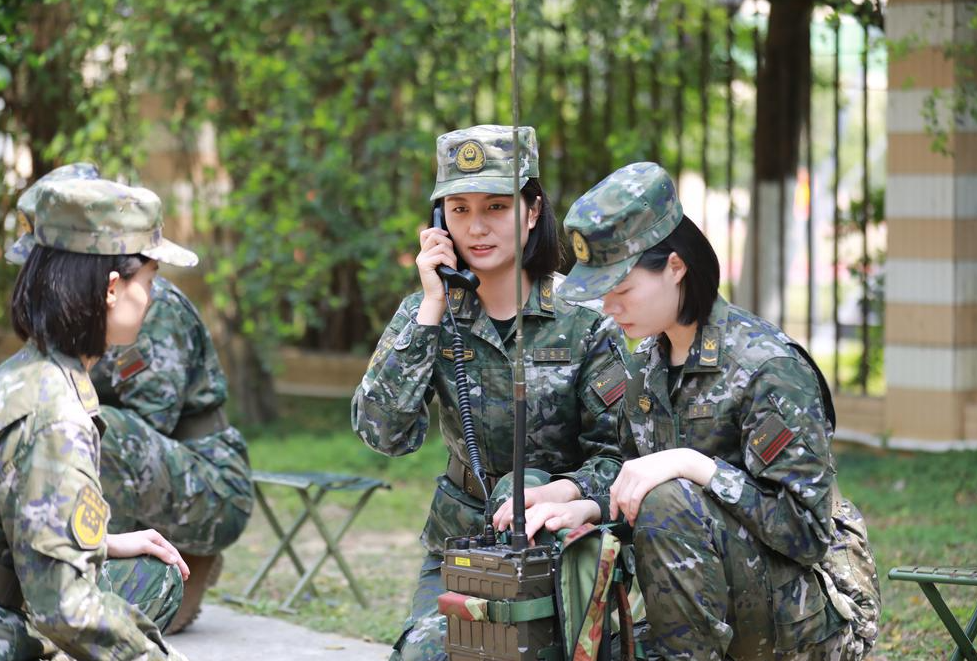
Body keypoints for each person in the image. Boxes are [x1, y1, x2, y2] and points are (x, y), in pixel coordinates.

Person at [518, 162, 881, 660]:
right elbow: (641, 489)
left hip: (813, 618)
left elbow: (808, 532)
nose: (609, 307)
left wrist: (694, 466)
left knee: (670, 496)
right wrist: (589, 504)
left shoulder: (766, 366)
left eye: (621, 290)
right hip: (719, 609)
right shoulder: (648, 362)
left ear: (674, 266)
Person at [351, 125, 628, 661]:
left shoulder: (586, 323)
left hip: (565, 547)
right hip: (462, 543)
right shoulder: (426, 313)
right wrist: (432, 307)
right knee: (427, 653)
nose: (476, 228)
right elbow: (382, 433)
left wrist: (565, 493)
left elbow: (622, 456)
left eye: (496, 207)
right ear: (438, 220)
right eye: (458, 209)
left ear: (531, 211)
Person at [7, 163, 255, 634]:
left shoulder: (148, 305)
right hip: (144, 457)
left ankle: (172, 559)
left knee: (91, 423)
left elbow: (148, 425)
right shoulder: (66, 309)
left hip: (208, 482)